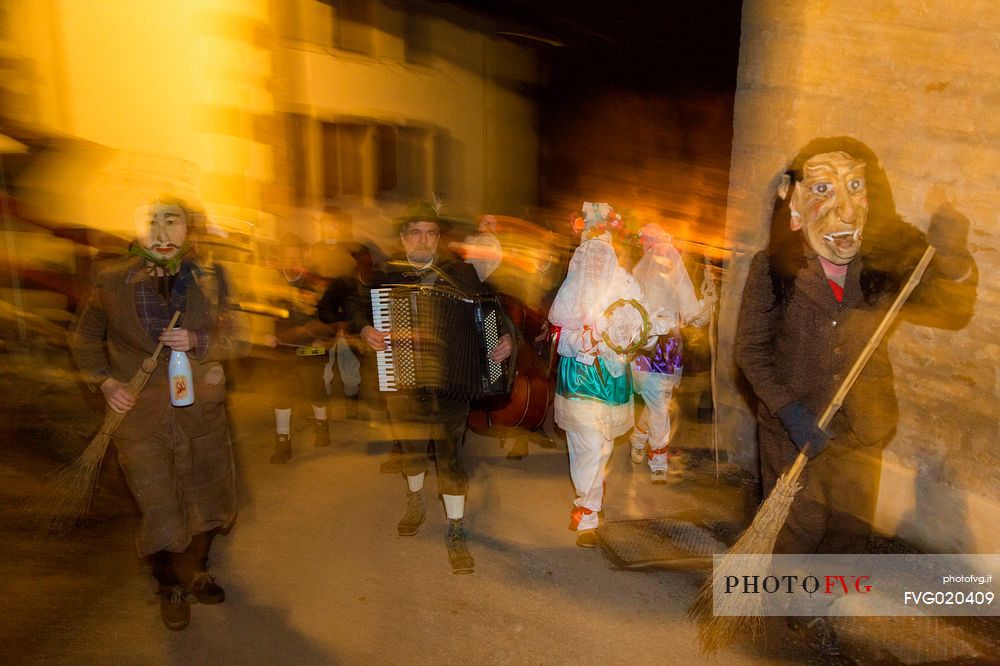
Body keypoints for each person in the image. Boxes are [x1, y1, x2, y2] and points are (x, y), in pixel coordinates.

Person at [734, 137, 976, 656]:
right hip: (794, 425)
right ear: (793, 204)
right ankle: (775, 615)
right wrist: (788, 410)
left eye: (855, 186)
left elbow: (953, 304)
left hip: (862, 426)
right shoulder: (773, 271)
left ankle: (817, 607)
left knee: (847, 528)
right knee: (801, 525)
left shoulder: (883, 266)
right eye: (822, 188)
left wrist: (951, 255)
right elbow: (751, 350)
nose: (843, 204)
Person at [69, 196, 250, 631]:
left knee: (204, 497)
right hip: (138, 415)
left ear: (188, 230)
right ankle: (169, 584)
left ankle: (198, 570)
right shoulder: (110, 281)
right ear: (138, 231)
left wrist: (200, 343)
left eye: (173, 222)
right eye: (152, 223)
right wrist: (106, 383)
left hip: (200, 411)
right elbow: (84, 339)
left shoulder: (211, 279)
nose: (162, 233)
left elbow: (241, 338)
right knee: (158, 504)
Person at [350, 201, 513, 574]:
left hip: (451, 383)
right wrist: (365, 328)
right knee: (410, 448)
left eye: (430, 233)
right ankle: (414, 500)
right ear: (405, 237)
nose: (423, 240)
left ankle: (456, 528)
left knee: (449, 455)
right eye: (416, 232)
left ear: (438, 238)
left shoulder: (461, 274)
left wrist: (504, 340)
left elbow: (493, 311)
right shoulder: (385, 274)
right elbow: (357, 307)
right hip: (402, 380)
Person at [548, 202, 648, 548]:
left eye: (601, 252)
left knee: (603, 445)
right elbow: (559, 334)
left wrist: (621, 339)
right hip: (579, 375)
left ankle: (591, 497)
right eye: (589, 253)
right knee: (586, 442)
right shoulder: (570, 289)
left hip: (612, 375)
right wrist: (583, 339)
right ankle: (587, 510)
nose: (595, 260)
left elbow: (639, 327)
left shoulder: (626, 285)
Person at [627, 223, 708, 483]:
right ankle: (658, 456)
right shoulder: (638, 275)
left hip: (670, 347)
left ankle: (639, 437)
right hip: (647, 344)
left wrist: (706, 304)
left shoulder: (667, 274)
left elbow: (691, 311)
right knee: (659, 403)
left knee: (658, 400)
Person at [263, 233, 332, 462]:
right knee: (282, 393)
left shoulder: (316, 282)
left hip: (311, 347)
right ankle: (283, 442)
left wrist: (321, 336)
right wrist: (266, 333)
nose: (292, 259)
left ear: (304, 255)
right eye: (287, 255)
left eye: (297, 254)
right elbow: (264, 311)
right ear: (281, 257)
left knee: (314, 388)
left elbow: (328, 314)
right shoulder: (272, 282)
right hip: (281, 347)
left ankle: (322, 424)